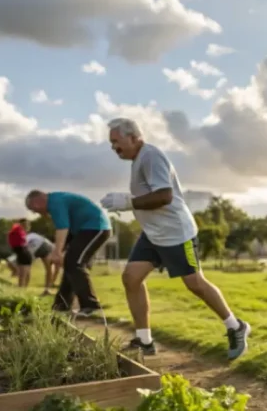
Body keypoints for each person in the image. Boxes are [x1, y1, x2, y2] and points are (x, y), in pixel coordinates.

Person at [99, 117, 251, 361]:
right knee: (131, 277)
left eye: (116, 142)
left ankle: (236, 326)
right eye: (111, 143)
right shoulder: (139, 159)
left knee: (195, 284)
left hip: (176, 234)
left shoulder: (151, 156)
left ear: (134, 137)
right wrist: (130, 202)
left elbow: (165, 196)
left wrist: (128, 202)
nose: (114, 148)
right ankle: (145, 341)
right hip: (153, 234)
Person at [25, 190, 112, 317]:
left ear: (37, 201)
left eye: (33, 209)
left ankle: (91, 306)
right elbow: (65, 229)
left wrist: (57, 252)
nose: (35, 212)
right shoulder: (56, 200)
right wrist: (60, 251)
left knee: (74, 264)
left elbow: (62, 228)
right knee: (70, 264)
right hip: (82, 230)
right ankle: (61, 307)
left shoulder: (55, 203)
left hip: (96, 227)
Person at [7, 219, 33, 287]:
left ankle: (23, 290)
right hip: (23, 253)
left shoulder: (20, 232)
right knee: (24, 274)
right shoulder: (18, 231)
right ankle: (23, 290)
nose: (27, 226)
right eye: (26, 224)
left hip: (24, 253)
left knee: (24, 275)